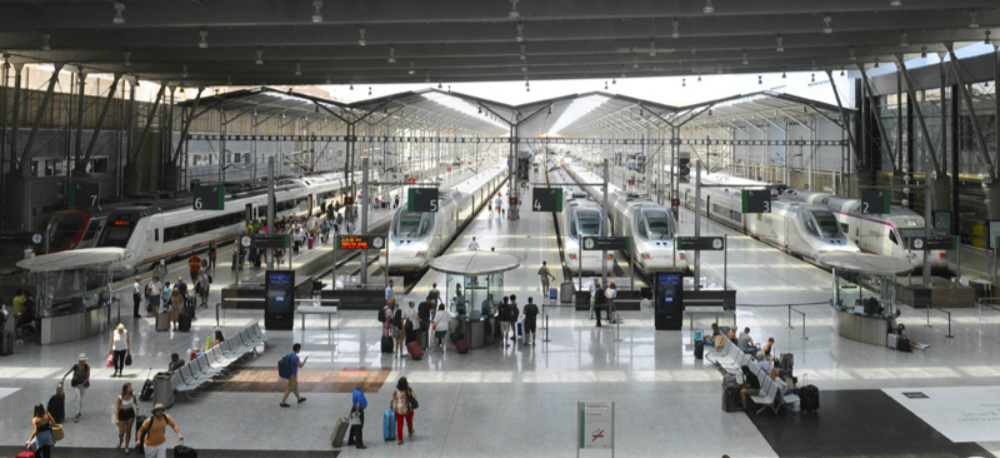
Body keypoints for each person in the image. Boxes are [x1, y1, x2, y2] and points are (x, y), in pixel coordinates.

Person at [60, 353, 91, 422]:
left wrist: (82, 384)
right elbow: (69, 372)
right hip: (76, 384)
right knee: (78, 398)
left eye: (83, 361)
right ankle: (76, 414)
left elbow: (87, 377)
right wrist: (64, 377)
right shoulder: (75, 366)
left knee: (81, 399)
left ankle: (79, 411)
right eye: (81, 361)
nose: (82, 362)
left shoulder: (87, 367)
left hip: (84, 385)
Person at [391, 377, 417, 445]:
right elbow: (415, 396)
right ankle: (410, 431)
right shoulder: (409, 389)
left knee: (400, 424)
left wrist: (392, 405)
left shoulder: (396, 391)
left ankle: (400, 439)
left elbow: (392, 399)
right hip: (407, 408)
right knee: (409, 420)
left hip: (398, 409)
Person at [115, 382, 139, 453]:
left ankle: (126, 445)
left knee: (128, 430)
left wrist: (137, 405)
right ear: (125, 389)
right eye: (129, 387)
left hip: (130, 413)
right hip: (122, 413)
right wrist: (116, 418)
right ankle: (120, 440)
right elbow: (117, 408)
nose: (131, 388)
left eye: (131, 387)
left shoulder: (133, 394)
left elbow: (135, 401)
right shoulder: (120, 397)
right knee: (121, 432)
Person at [348, 380, 368, 449]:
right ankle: (359, 444)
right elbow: (358, 404)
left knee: (354, 426)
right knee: (359, 428)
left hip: (353, 409)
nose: (363, 386)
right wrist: (357, 412)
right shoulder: (360, 393)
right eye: (362, 385)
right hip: (358, 411)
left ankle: (350, 440)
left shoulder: (355, 391)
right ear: (360, 386)